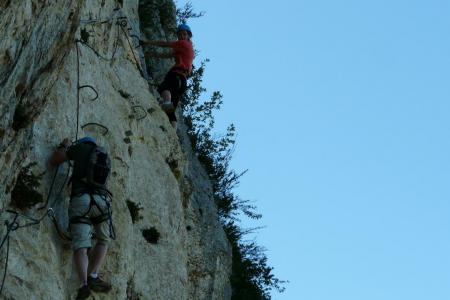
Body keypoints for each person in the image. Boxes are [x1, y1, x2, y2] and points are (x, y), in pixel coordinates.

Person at [49, 136, 113, 300]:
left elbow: (56, 159)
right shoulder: (103, 154)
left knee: (81, 245)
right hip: (102, 202)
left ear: (83, 143)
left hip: (81, 200)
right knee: (103, 240)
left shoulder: (80, 148)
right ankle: (93, 275)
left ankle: (84, 284)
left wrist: (65, 146)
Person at [143, 24, 195, 129]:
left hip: (176, 75)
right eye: (180, 34)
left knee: (164, 89)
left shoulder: (184, 44)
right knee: (171, 113)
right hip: (183, 82)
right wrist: (152, 55)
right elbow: (168, 55)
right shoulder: (188, 49)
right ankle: (173, 135)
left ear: (188, 36)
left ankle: (166, 103)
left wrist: (147, 42)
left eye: (184, 34)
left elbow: (164, 44)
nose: (181, 36)